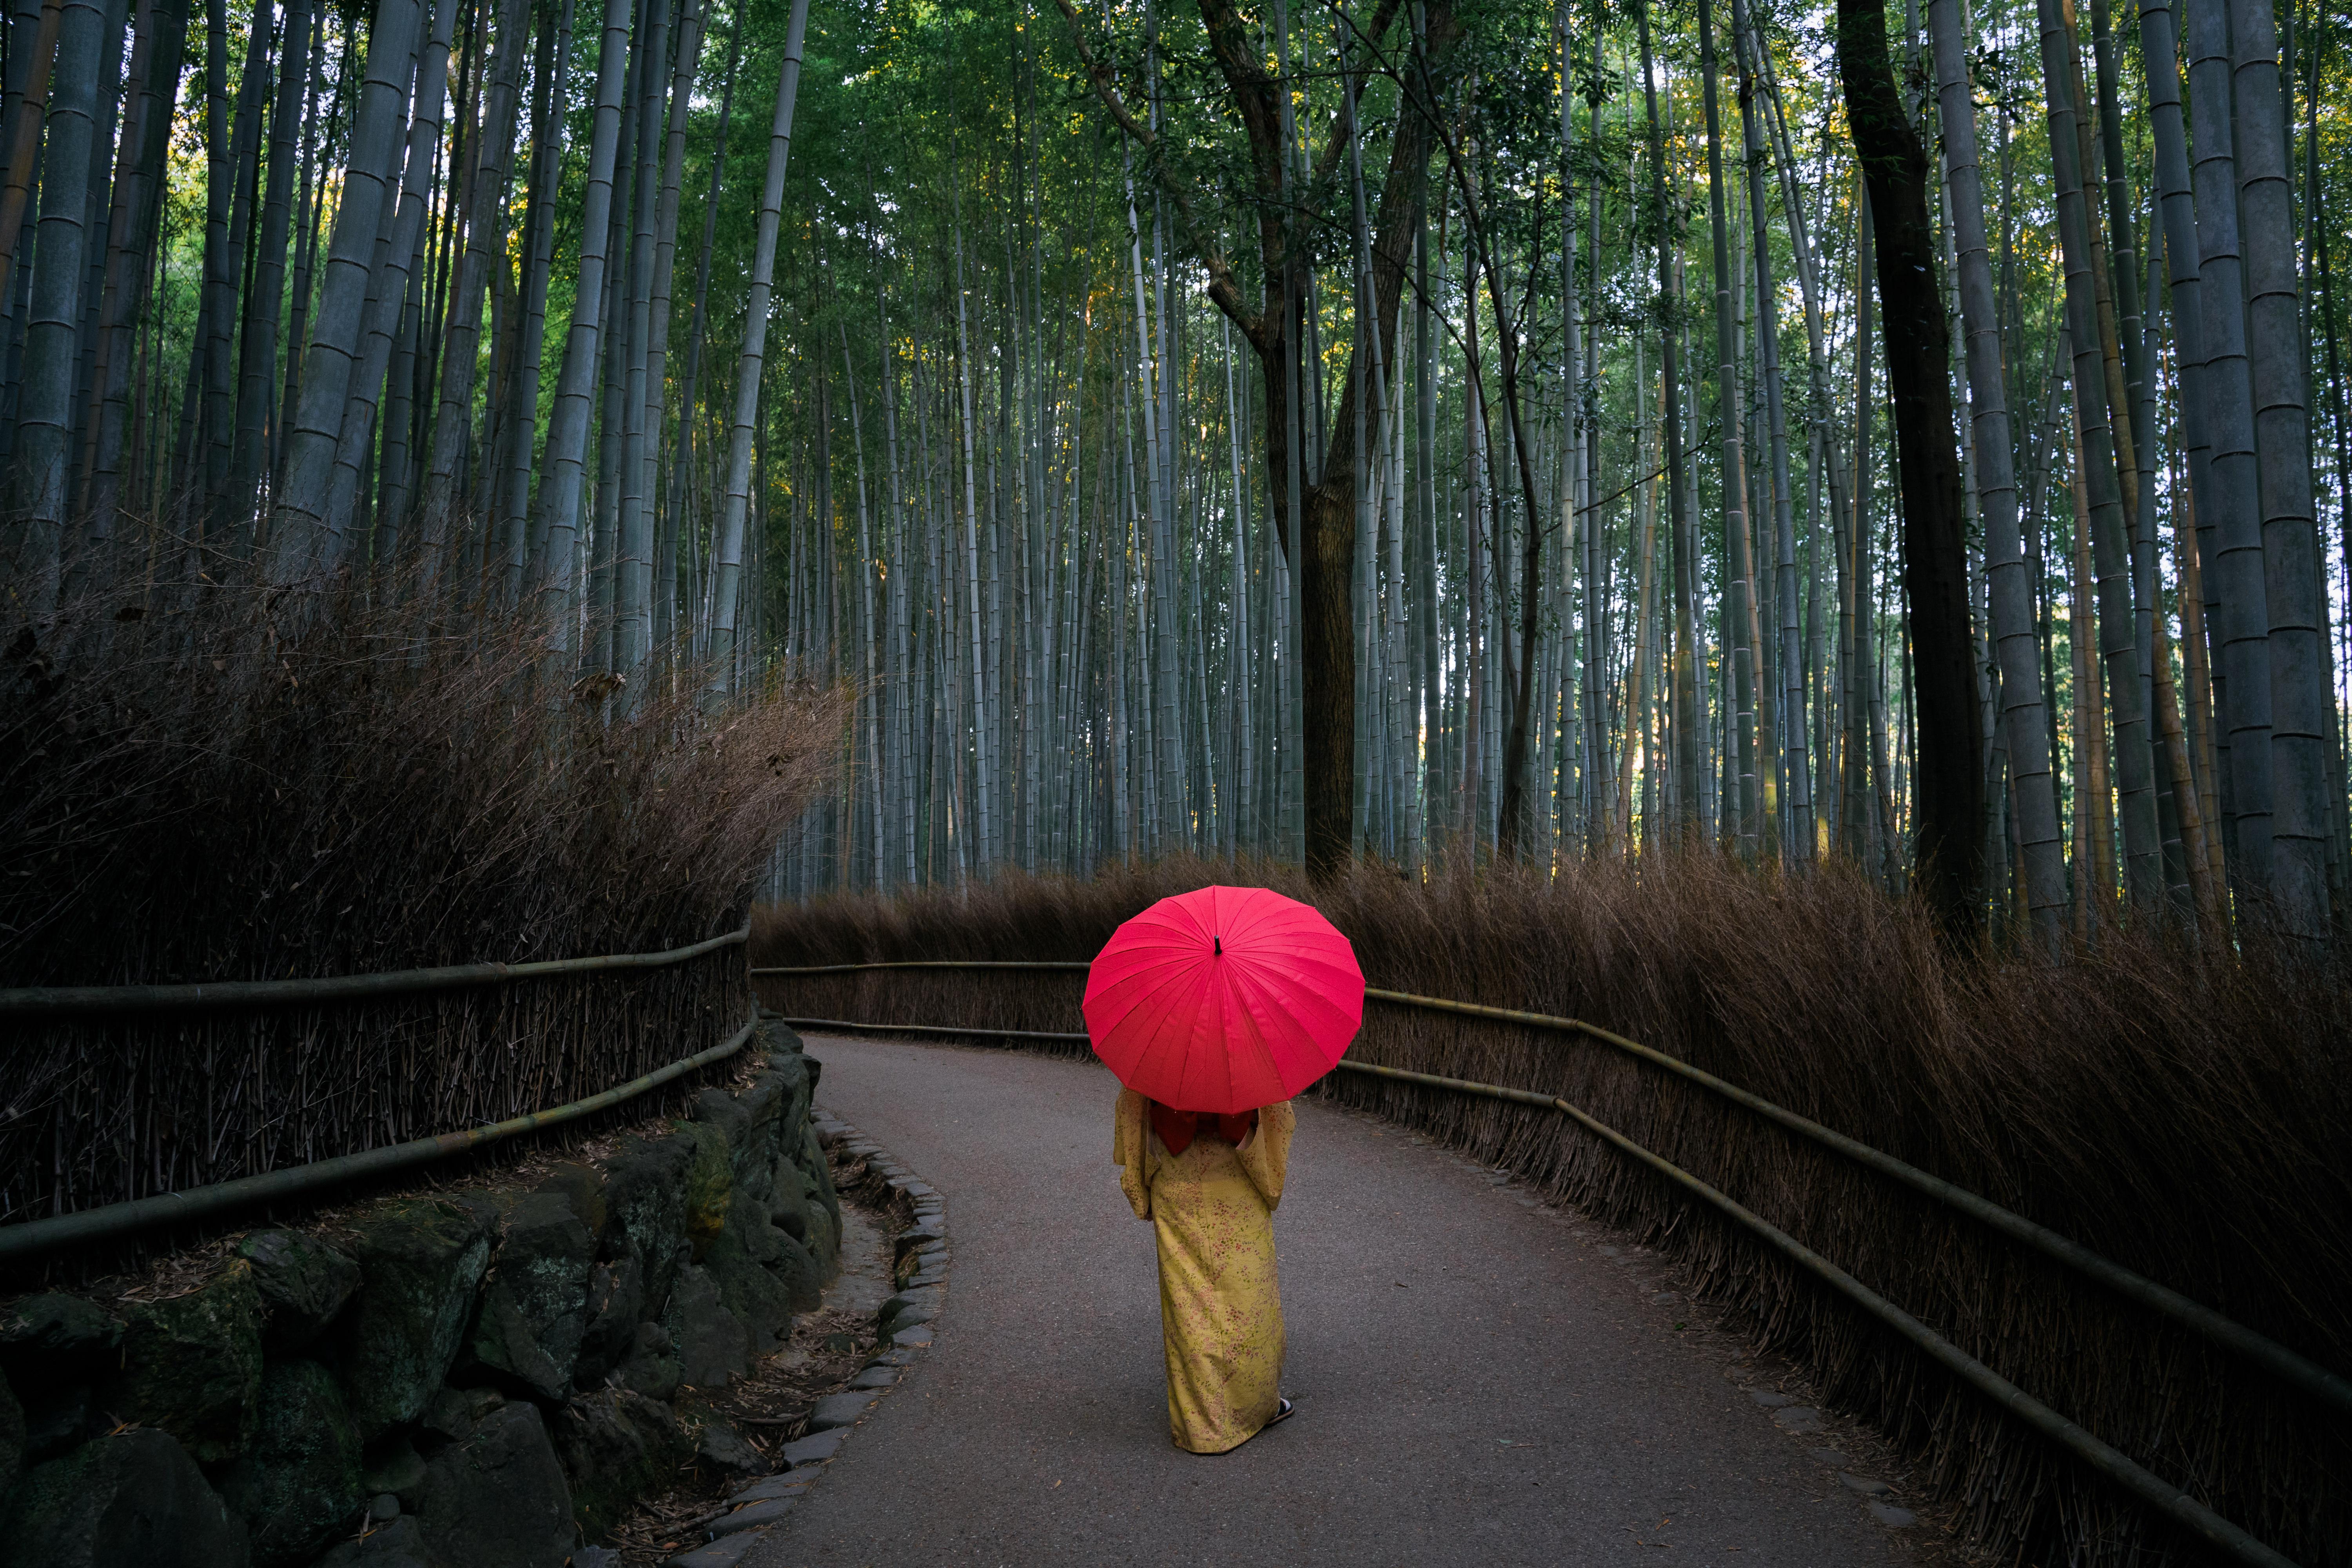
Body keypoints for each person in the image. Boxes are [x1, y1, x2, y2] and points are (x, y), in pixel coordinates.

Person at [1112, 1087, 1298, 1454]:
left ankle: (1203, 1428)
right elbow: (1278, 1117)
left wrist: (1140, 1188)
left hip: (1177, 1175)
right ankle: (1256, 1407)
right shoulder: (1247, 1042)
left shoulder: (1163, 1041)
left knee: (1190, 1303)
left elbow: (1132, 1111)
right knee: (1248, 1297)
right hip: (1238, 1173)